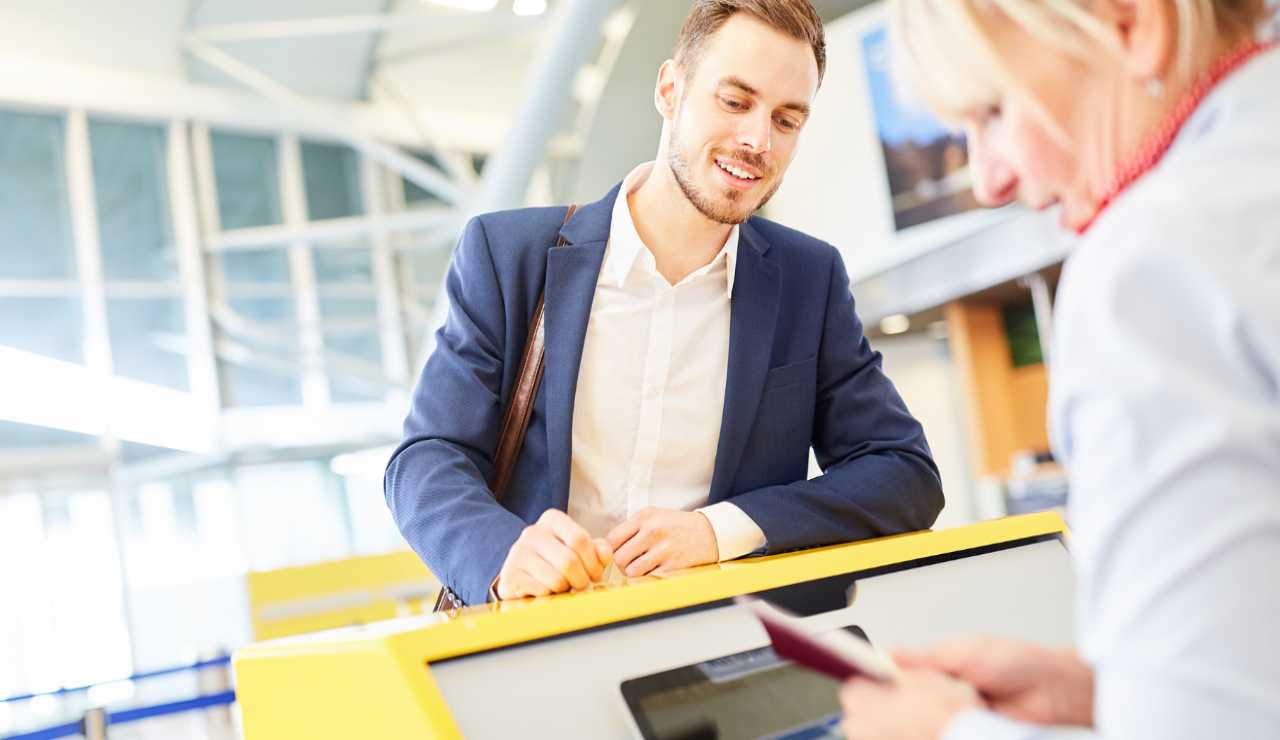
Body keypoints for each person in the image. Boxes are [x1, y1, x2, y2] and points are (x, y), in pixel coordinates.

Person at [384, 0, 944, 606]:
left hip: (733, 650)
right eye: (735, 102)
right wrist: (502, 554)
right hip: (537, 641)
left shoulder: (809, 280)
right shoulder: (511, 254)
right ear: (670, 90)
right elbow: (425, 459)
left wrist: (720, 530)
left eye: (787, 120)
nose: (757, 138)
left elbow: (903, 473)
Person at [837, 1, 1280, 738]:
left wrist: (948, 733)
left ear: (1132, 25)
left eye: (994, 110)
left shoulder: (1148, 270)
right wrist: (1116, 693)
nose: (990, 179)